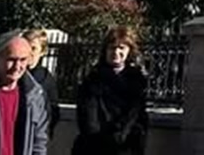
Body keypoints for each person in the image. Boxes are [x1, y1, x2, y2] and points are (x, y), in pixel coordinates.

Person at [72, 26, 148, 155]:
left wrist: (124, 135)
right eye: (112, 48)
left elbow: (136, 115)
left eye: (121, 48)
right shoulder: (93, 79)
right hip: (94, 146)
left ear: (129, 51)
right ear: (105, 50)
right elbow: (87, 116)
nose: (116, 52)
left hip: (126, 146)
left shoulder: (136, 81)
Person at [23, 30, 60, 142]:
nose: (29, 52)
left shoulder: (46, 79)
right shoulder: (12, 73)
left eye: (33, 48)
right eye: (26, 47)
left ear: (42, 52)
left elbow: (53, 109)